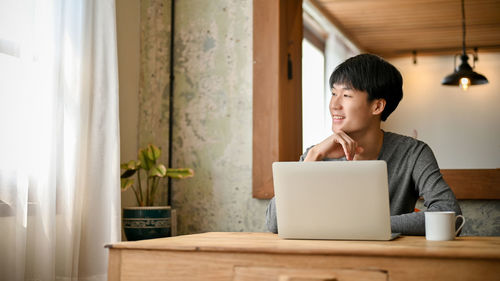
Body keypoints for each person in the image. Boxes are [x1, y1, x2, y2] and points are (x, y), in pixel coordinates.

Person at [265, 54, 462, 236]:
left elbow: (449, 214)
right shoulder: (316, 154)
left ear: (377, 106)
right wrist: (313, 156)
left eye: (347, 95)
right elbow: (274, 223)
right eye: (334, 93)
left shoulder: (413, 153)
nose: (334, 104)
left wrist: (366, 226)